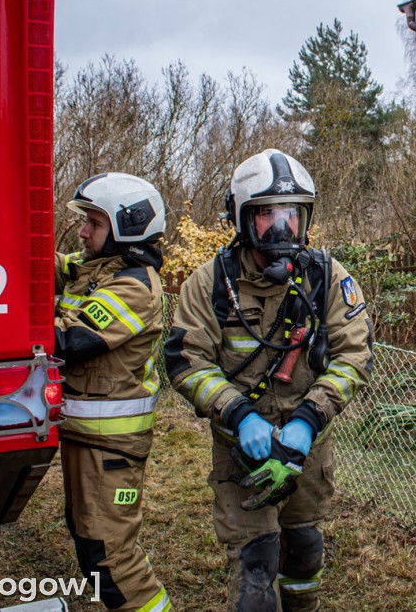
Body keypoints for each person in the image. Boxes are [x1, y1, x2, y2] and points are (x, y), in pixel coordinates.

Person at [164, 149, 374, 611]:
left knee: (303, 553)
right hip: (242, 452)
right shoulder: (210, 283)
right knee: (256, 571)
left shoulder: (326, 278)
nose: (282, 229)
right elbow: (185, 360)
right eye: (267, 216)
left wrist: (308, 419)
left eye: (292, 215)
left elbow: (354, 355)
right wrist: (238, 416)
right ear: (241, 218)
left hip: (308, 449)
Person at [54, 173, 171, 612]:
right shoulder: (95, 270)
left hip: (109, 447)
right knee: (89, 540)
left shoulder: (134, 288)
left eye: (94, 223)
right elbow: (46, 267)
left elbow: (71, 341)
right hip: (86, 439)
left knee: (112, 558)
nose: (83, 232)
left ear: (127, 227)